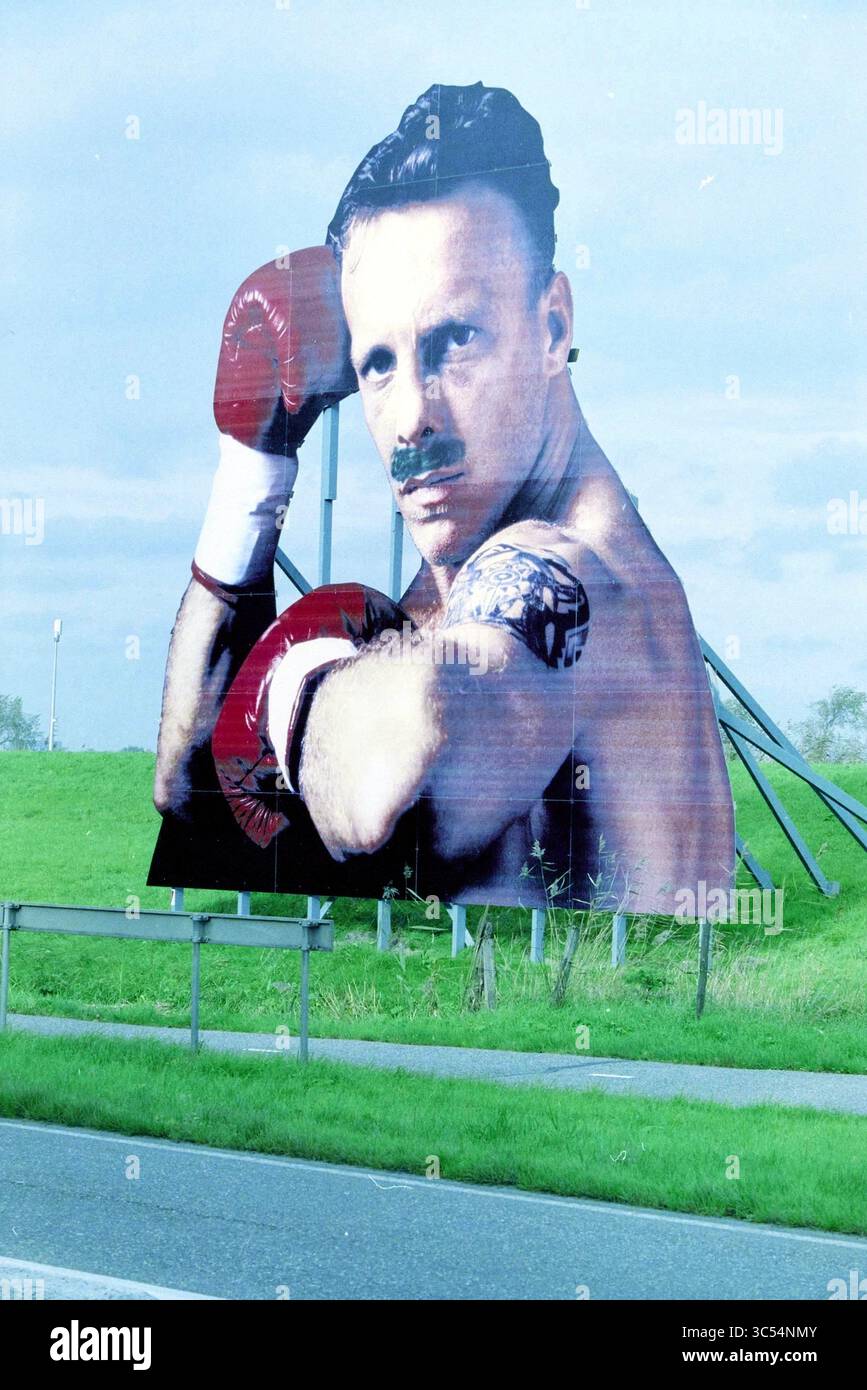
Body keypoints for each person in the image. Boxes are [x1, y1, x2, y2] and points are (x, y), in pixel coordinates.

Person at [149, 82, 734, 914]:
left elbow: (387, 783)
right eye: (377, 363)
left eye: (453, 341)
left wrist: (290, 670)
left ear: (553, 327)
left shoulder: (564, 571)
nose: (411, 418)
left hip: (571, 1035)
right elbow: (191, 795)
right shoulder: (469, 559)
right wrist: (252, 468)